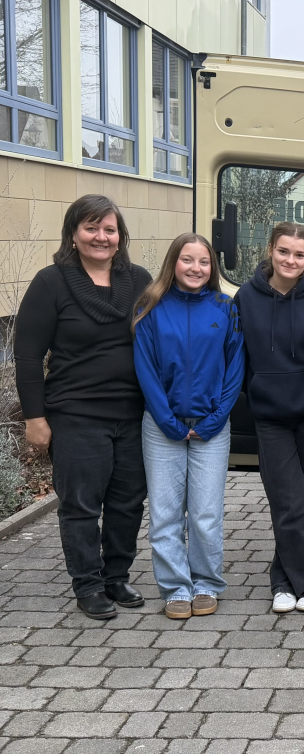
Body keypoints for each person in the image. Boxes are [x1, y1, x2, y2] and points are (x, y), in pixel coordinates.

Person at [14, 196, 152, 620]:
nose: (101, 237)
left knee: (128, 502)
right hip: (76, 415)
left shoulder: (140, 280)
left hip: (133, 414)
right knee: (81, 505)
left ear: (120, 236)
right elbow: (27, 355)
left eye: (109, 229)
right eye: (91, 228)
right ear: (73, 234)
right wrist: (35, 418)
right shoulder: (51, 282)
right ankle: (88, 584)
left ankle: (116, 576)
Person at [133, 233, 245, 620]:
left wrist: (215, 420)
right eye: (187, 260)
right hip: (162, 427)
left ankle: (207, 584)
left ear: (213, 267)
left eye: (204, 262)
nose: (195, 268)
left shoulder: (225, 308)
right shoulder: (150, 307)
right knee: (165, 514)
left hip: (211, 428)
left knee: (205, 514)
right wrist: (167, 421)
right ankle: (176, 588)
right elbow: (145, 369)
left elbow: (235, 368)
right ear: (173, 263)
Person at [236, 222, 304, 614]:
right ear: (270, 251)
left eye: (299, 254)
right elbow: (240, 355)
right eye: (283, 251)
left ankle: (285, 581)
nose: (290, 260)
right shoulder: (246, 297)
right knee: (287, 499)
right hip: (270, 415)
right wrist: (256, 389)